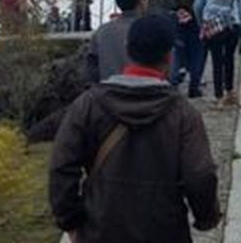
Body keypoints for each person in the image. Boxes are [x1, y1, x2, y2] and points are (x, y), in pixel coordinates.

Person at [49, 13, 220, 243]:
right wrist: (206, 218)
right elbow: (200, 176)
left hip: (101, 228)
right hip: (165, 230)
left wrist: (70, 220)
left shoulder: (89, 105)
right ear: (169, 56)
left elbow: (61, 166)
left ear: (128, 48)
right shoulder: (183, 114)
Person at [85, 0, 148, 84]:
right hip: (147, 97)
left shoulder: (101, 32)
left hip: (108, 96)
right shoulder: (152, 31)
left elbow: (92, 73)